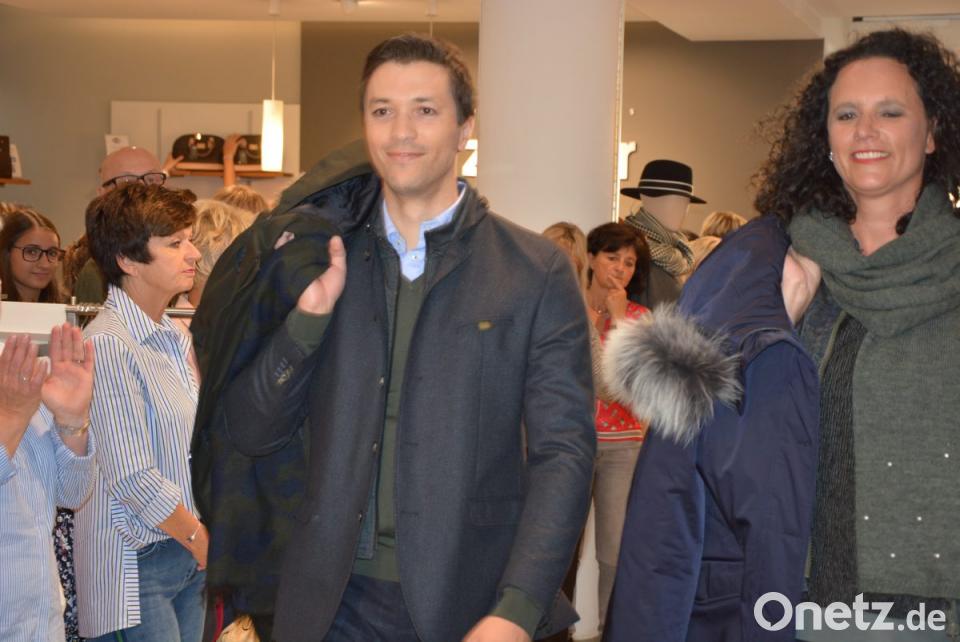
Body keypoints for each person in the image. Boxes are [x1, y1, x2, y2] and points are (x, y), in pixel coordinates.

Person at [194, 33, 595, 642]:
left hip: (468, 602)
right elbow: (250, 432)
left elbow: (562, 453)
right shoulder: (318, 258)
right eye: (382, 110)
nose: (401, 131)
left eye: (425, 110)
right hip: (325, 607)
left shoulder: (532, 271)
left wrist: (518, 608)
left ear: (465, 129)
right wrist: (306, 323)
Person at [606, 27, 960, 642]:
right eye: (846, 114)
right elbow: (692, 464)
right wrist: (772, 330)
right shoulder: (758, 274)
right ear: (824, 139)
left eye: (890, 112)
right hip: (785, 609)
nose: (865, 130)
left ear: (931, 132)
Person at [73, 183, 207, 642]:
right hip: (137, 564)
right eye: (175, 243)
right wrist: (200, 539)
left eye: (190, 239)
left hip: (186, 550)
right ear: (128, 261)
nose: (193, 253)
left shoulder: (173, 336)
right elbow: (132, 477)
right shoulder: (108, 344)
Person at [0, 324, 96, 642]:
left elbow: (72, 493)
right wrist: (12, 416)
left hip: (42, 620)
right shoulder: (16, 391)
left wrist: (73, 420)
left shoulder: (18, 373)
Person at [583, 222, 650, 631]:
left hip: (624, 446)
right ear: (591, 258)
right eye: (612, 258)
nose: (621, 269)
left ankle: (610, 630)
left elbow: (634, 389)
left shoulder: (640, 318)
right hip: (570, 442)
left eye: (629, 262)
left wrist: (620, 317)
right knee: (556, 547)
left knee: (613, 552)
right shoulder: (568, 307)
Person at [65, 147, 171, 302]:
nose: (144, 190)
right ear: (102, 195)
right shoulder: (98, 274)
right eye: (127, 182)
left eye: (152, 180)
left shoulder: (180, 255)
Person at [620, 159, 705, 307]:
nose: (682, 210)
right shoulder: (629, 247)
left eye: (685, 203)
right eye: (674, 201)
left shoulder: (678, 253)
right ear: (646, 198)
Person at [1, 208, 64, 303]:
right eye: (32, 252)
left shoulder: (64, 308)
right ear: (7, 252)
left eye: (52, 253)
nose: (45, 265)